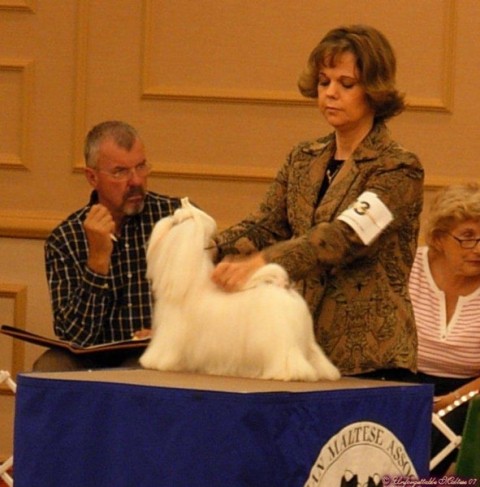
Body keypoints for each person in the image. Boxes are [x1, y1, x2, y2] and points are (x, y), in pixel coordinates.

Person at [211, 25, 424, 377]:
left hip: (373, 361)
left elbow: (342, 238)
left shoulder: (398, 168)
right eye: (324, 82)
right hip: (302, 349)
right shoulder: (303, 158)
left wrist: (263, 262)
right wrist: (207, 249)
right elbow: (265, 225)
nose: (331, 94)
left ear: (374, 89)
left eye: (346, 84)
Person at [33, 121, 183, 371]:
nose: (136, 181)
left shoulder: (175, 218)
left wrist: (170, 332)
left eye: (141, 167)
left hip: (163, 349)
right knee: (50, 367)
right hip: (94, 357)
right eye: (120, 172)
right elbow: (74, 337)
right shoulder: (66, 238)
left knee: (140, 368)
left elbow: (207, 303)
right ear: (92, 177)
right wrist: (98, 259)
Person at [408, 183, 480, 474]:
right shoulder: (406, 269)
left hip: (468, 395)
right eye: (467, 237)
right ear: (438, 239)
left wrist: (450, 401)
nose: (478, 249)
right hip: (403, 385)